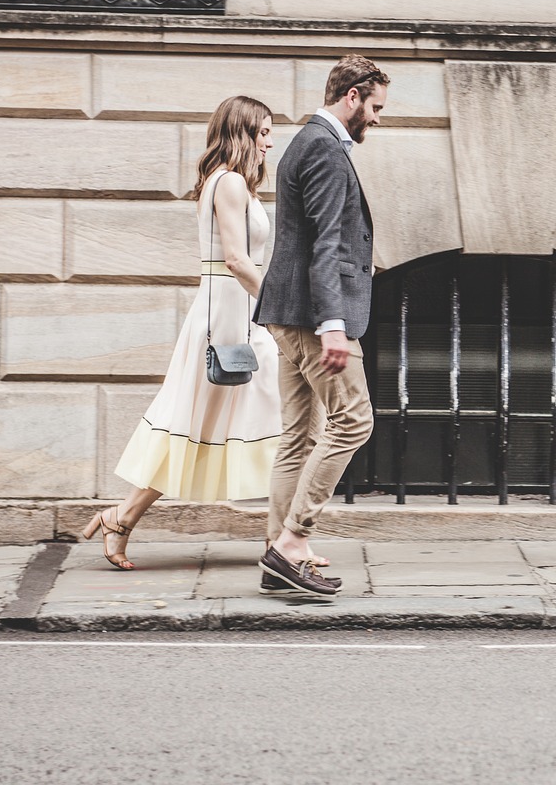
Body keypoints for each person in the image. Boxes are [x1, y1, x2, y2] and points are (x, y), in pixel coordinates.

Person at [84, 95, 282, 570]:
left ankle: (287, 539)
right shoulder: (230, 183)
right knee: (200, 425)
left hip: (235, 314)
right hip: (230, 319)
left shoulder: (226, 181)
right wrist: (278, 307)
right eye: (264, 132)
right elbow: (235, 259)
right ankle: (123, 517)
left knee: (246, 422)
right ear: (242, 132)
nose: (270, 143)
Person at [255, 54, 390, 597]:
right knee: (355, 421)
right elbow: (327, 245)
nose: (378, 118)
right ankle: (292, 541)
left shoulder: (303, 143)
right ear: (352, 96)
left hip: (286, 313)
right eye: (376, 106)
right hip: (315, 317)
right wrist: (333, 324)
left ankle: (278, 554)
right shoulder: (326, 150)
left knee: (299, 437)